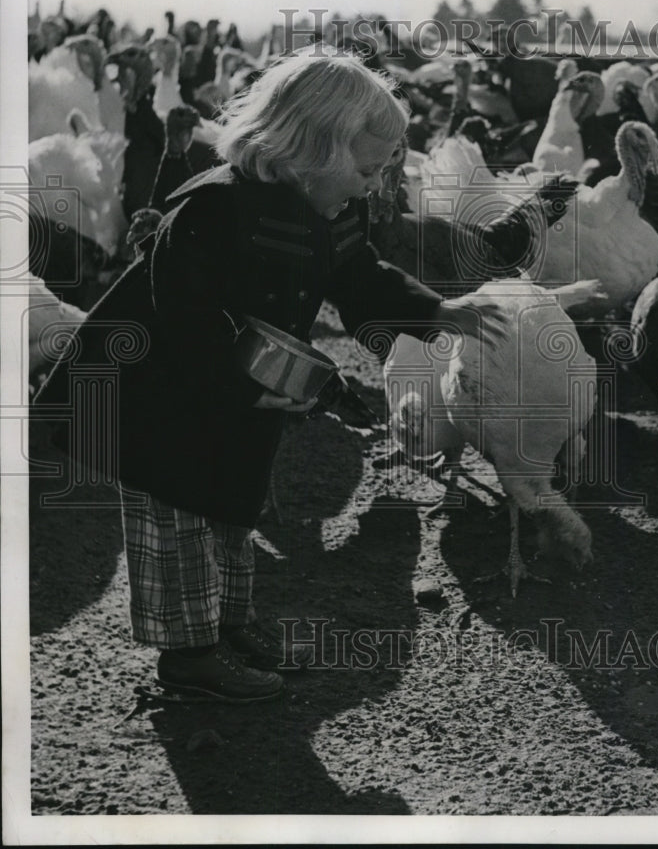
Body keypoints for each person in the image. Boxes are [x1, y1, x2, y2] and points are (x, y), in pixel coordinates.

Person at [35, 53, 505, 703]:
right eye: (365, 170)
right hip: (166, 400)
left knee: (232, 510)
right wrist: (250, 384)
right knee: (179, 525)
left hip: (237, 393)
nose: (371, 187)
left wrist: (434, 309)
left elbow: (358, 274)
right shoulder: (213, 210)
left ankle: (228, 628)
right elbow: (186, 319)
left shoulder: (329, 210)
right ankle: (190, 657)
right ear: (310, 146)